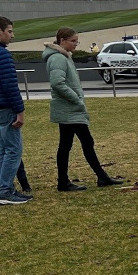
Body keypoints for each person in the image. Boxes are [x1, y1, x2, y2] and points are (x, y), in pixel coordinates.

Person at [43, 27, 123, 192]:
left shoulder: (63, 57)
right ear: (62, 40)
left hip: (70, 109)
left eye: (76, 41)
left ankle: (71, 180)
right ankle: (98, 177)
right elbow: (58, 83)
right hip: (70, 109)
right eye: (73, 41)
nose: (76, 45)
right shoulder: (58, 58)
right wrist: (76, 100)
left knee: (68, 144)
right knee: (84, 142)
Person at [0, 16, 30, 205]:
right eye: (9, 31)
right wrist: (19, 110)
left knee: (2, 150)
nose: (12, 35)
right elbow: (10, 85)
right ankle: (5, 190)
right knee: (13, 150)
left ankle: (3, 188)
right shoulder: (3, 54)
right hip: (6, 108)